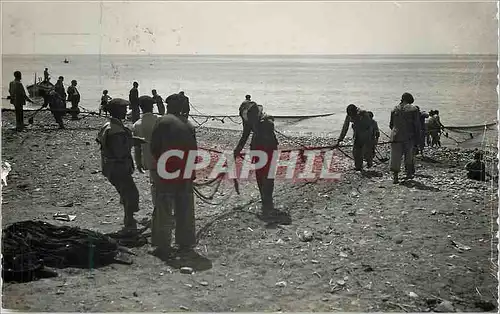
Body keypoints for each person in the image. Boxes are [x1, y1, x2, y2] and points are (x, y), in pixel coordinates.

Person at [150, 95, 197, 256]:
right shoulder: (189, 125)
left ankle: (162, 244)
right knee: (185, 208)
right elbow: (194, 152)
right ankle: (186, 242)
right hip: (185, 172)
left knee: (164, 208)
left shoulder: (162, 122)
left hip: (167, 171)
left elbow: (154, 148)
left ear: (168, 106)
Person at [96, 98, 140, 230]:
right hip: (118, 167)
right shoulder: (116, 129)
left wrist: (134, 140)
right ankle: (129, 222)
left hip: (110, 166)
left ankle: (129, 220)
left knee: (126, 193)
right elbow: (120, 151)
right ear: (117, 110)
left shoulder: (108, 125)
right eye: (123, 109)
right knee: (131, 194)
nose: (126, 110)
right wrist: (132, 142)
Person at [234, 101, 279, 217]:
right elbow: (245, 135)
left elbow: (267, 138)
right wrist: (237, 150)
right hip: (258, 149)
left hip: (269, 149)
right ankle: (264, 200)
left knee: (268, 176)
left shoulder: (266, 122)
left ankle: (268, 201)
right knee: (260, 175)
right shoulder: (249, 120)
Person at [389, 92, 421, 183]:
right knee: (409, 155)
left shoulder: (394, 109)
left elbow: (391, 125)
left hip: (395, 136)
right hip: (409, 136)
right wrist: (417, 138)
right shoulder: (414, 109)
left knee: (395, 156)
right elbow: (417, 125)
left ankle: (395, 177)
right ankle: (408, 173)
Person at [336, 104, 375, 171]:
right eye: (350, 115)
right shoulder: (349, 115)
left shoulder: (363, 114)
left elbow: (370, 126)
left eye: (352, 115)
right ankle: (358, 167)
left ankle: (369, 163)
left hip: (367, 134)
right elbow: (345, 127)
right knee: (356, 152)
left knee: (366, 152)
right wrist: (340, 139)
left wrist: (372, 138)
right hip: (357, 135)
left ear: (355, 111)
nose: (351, 117)